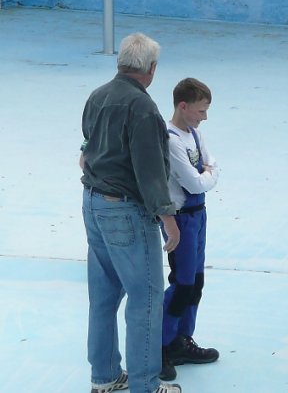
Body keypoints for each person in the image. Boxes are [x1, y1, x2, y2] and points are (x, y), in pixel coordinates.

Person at [80, 33, 182, 393]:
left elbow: (86, 145)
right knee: (147, 298)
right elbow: (151, 171)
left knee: (104, 295)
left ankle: (104, 376)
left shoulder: (98, 96)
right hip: (125, 211)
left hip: (92, 203)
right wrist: (168, 219)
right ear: (151, 69)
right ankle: (145, 384)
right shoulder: (143, 108)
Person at [160, 78, 220, 381]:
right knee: (182, 284)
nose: (204, 117)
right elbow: (195, 182)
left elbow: (213, 164)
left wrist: (209, 172)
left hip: (199, 215)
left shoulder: (194, 134)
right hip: (181, 218)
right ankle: (162, 344)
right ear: (183, 106)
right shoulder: (171, 140)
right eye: (201, 111)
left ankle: (183, 339)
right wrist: (208, 174)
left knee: (196, 282)